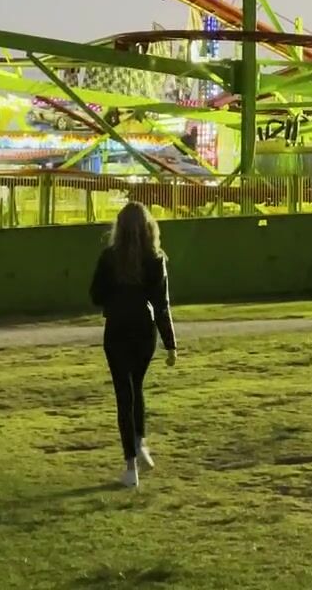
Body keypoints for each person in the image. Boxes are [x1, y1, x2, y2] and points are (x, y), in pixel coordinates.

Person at [89, 202, 179, 488]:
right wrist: (170, 344)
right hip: (144, 330)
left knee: (123, 394)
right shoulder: (155, 258)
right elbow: (162, 304)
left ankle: (130, 467)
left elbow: (95, 295)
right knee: (136, 387)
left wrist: (115, 294)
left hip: (117, 328)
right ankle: (140, 443)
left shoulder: (109, 258)